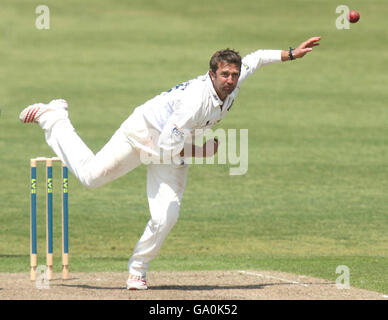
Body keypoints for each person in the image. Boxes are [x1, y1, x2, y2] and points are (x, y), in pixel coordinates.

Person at [19, 36, 321, 290]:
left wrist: (292, 54)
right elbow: (164, 148)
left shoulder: (235, 79)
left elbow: (257, 58)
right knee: (91, 177)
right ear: (211, 74)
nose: (230, 80)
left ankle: (137, 269)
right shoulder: (194, 103)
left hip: (176, 140)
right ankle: (55, 118)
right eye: (225, 75)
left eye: (234, 75)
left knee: (167, 215)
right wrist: (202, 152)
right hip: (143, 133)